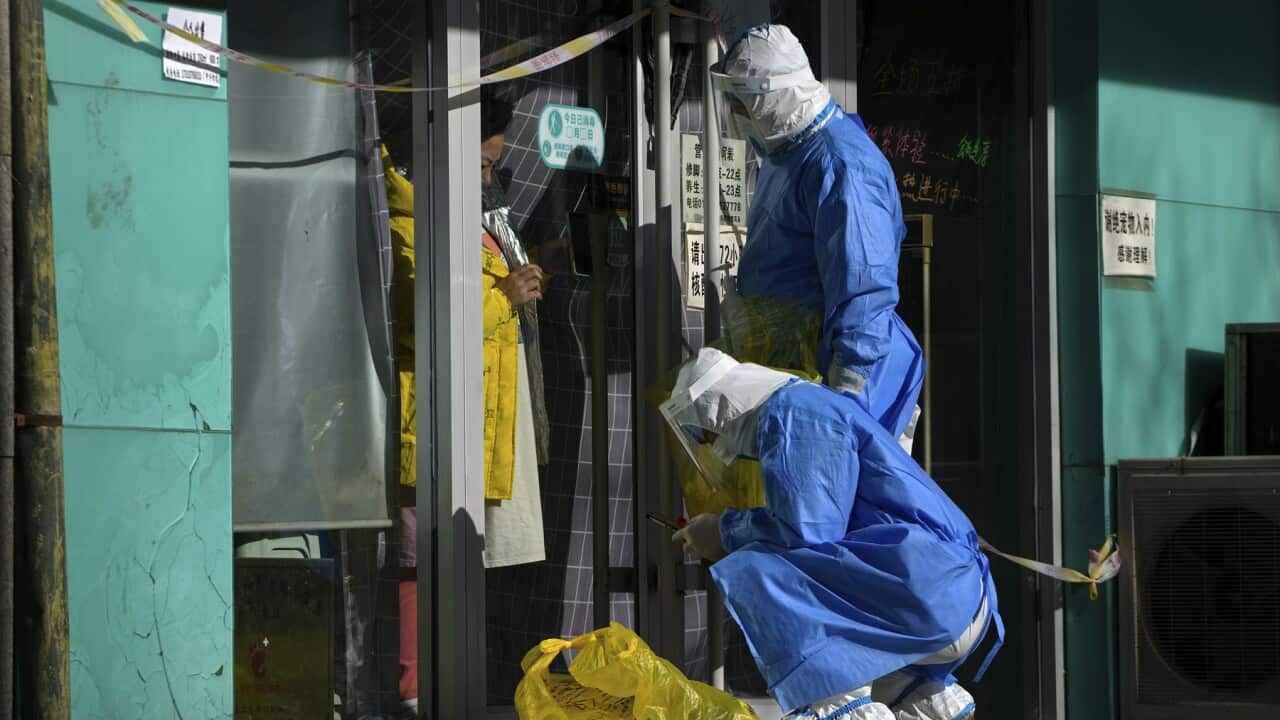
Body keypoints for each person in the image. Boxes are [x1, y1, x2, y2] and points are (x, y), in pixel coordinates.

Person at [665, 347, 1001, 720]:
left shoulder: (795, 412)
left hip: (925, 594)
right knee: (884, 676)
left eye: (707, 436)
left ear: (718, 408)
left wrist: (725, 531)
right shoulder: (808, 407)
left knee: (757, 569)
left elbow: (807, 532)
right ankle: (921, 697)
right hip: (944, 603)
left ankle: (839, 704)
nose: (714, 447)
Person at [385, 92, 547, 716]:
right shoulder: (408, 216)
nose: (488, 179)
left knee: (461, 553)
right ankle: (416, 693)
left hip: (479, 412)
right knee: (420, 561)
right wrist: (504, 294)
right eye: (480, 166)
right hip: (432, 417)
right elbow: (425, 314)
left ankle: (452, 690)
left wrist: (520, 282)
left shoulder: (467, 217)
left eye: (492, 167)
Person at [710, 24, 924, 448]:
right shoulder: (788, 152)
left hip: (841, 388)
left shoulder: (842, 165)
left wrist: (845, 402)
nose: (735, 113)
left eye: (741, 101)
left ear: (771, 96)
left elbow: (864, 292)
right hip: (799, 379)